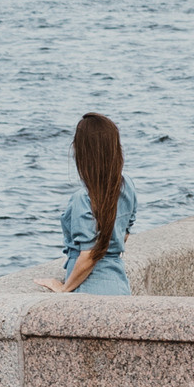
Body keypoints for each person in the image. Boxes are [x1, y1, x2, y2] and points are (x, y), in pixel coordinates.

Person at [56, 109, 137, 295]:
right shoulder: (126, 186)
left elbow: (89, 256)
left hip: (88, 292)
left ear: (82, 153)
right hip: (118, 285)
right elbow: (124, 233)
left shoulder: (82, 198)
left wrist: (64, 288)